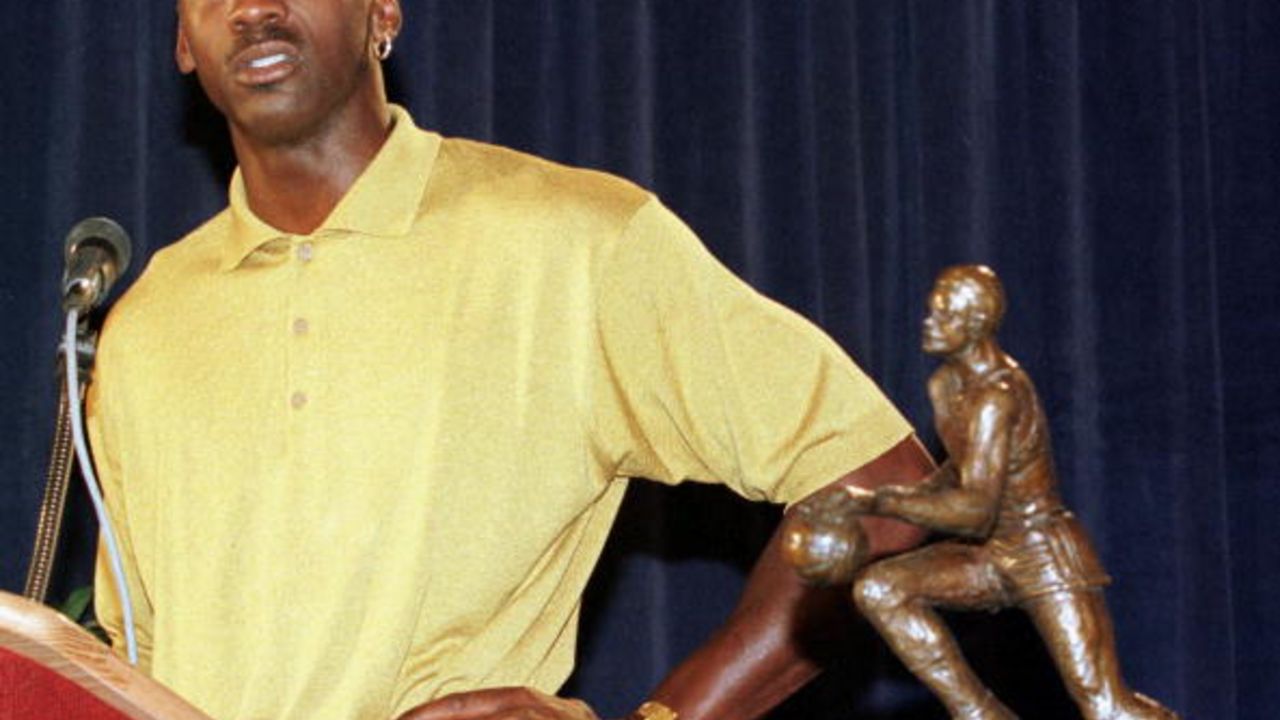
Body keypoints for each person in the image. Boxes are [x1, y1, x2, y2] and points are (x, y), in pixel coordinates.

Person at [87, 1, 934, 719]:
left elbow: (884, 487)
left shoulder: (575, 241)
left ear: (383, 10)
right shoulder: (147, 322)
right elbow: (131, 659)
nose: (254, 6)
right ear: (182, 45)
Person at [790, 266, 1176, 720]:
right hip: (989, 556)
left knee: (1106, 707)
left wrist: (877, 501)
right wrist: (858, 502)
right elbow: (963, 471)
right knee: (880, 588)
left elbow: (975, 511)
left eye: (942, 314)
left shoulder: (999, 395)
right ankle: (979, 714)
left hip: (1042, 551)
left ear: (974, 325)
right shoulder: (946, 386)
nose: (928, 322)